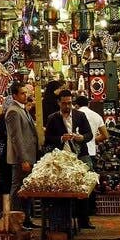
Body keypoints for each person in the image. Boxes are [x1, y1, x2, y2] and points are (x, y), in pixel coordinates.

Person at [43, 90, 94, 230]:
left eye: (70, 103)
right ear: (58, 103)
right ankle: (64, 219)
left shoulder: (80, 115)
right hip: (62, 158)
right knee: (63, 189)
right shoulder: (53, 118)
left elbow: (89, 134)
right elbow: (48, 139)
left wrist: (81, 138)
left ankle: (84, 219)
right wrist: (61, 138)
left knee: (83, 188)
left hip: (80, 156)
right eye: (64, 103)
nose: (67, 106)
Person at [4, 82, 38, 230]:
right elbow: (16, 137)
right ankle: (16, 220)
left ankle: (26, 219)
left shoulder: (22, 109)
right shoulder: (13, 111)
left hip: (29, 155)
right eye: (22, 93)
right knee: (18, 189)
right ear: (15, 95)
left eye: (26, 93)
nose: (26, 95)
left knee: (26, 188)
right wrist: (23, 158)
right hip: (21, 158)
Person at [75, 94, 108, 230]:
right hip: (90, 154)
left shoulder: (74, 115)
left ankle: (76, 215)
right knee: (88, 186)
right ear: (88, 104)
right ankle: (87, 215)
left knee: (75, 185)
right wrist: (93, 140)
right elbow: (105, 135)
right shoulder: (96, 115)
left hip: (76, 153)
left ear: (76, 105)